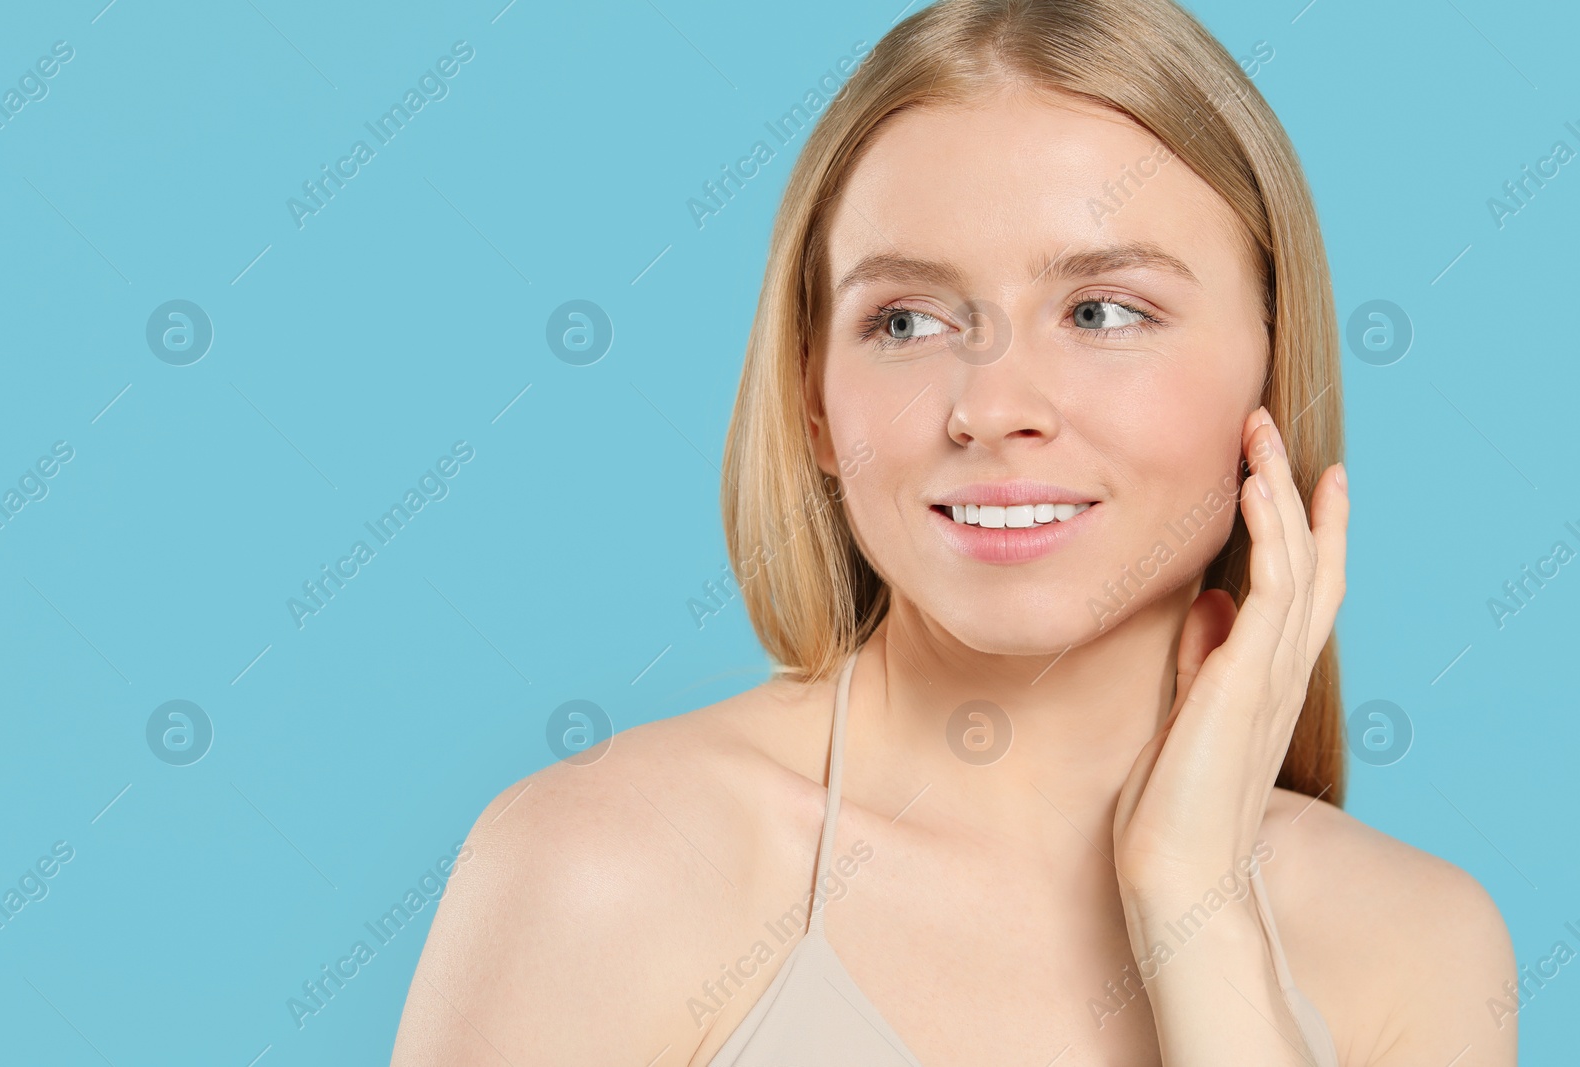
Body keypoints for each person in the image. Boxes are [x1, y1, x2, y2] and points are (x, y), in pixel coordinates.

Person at [390, 0, 1516, 1063]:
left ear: (1269, 364)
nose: (989, 405)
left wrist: (1194, 900)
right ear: (816, 402)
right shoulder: (601, 867)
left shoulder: (1415, 944)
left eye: (1101, 311)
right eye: (907, 320)